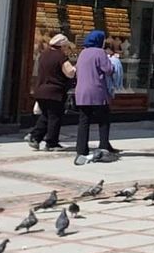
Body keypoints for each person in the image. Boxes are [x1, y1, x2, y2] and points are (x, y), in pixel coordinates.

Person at [27, 34, 76, 152]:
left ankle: (35, 137)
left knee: (46, 115)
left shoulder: (43, 55)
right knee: (55, 117)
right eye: (66, 46)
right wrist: (76, 68)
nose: (67, 49)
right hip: (55, 91)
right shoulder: (60, 56)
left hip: (41, 90)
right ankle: (51, 143)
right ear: (62, 46)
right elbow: (69, 72)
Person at [74, 30, 116, 159]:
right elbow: (108, 69)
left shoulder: (83, 53)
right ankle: (103, 146)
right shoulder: (100, 52)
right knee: (103, 120)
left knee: (84, 121)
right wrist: (113, 62)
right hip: (97, 91)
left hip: (81, 92)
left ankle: (81, 149)